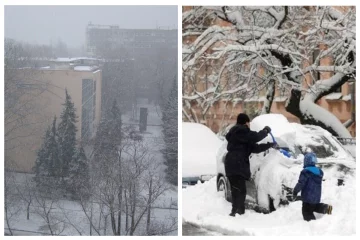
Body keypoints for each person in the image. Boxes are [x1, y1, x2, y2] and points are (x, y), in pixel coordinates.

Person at [225, 113, 276, 217]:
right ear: (246, 122)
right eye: (249, 123)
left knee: (236, 189)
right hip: (238, 163)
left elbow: (255, 148)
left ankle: (236, 212)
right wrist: (265, 131)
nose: (249, 125)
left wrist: (270, 145)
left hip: (230, 163)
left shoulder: (238, 136)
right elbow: (256, 137)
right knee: (241, 190)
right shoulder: (242, 131)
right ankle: (238, 212)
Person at [293, 152, 333, 221]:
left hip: (307, 197)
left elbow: (301, 183)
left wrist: (295, 191)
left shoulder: (305, 172)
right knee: (315, 206)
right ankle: (327, 208)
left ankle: (312, 224)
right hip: (316, 196)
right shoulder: (319, 172)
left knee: (306, 212)